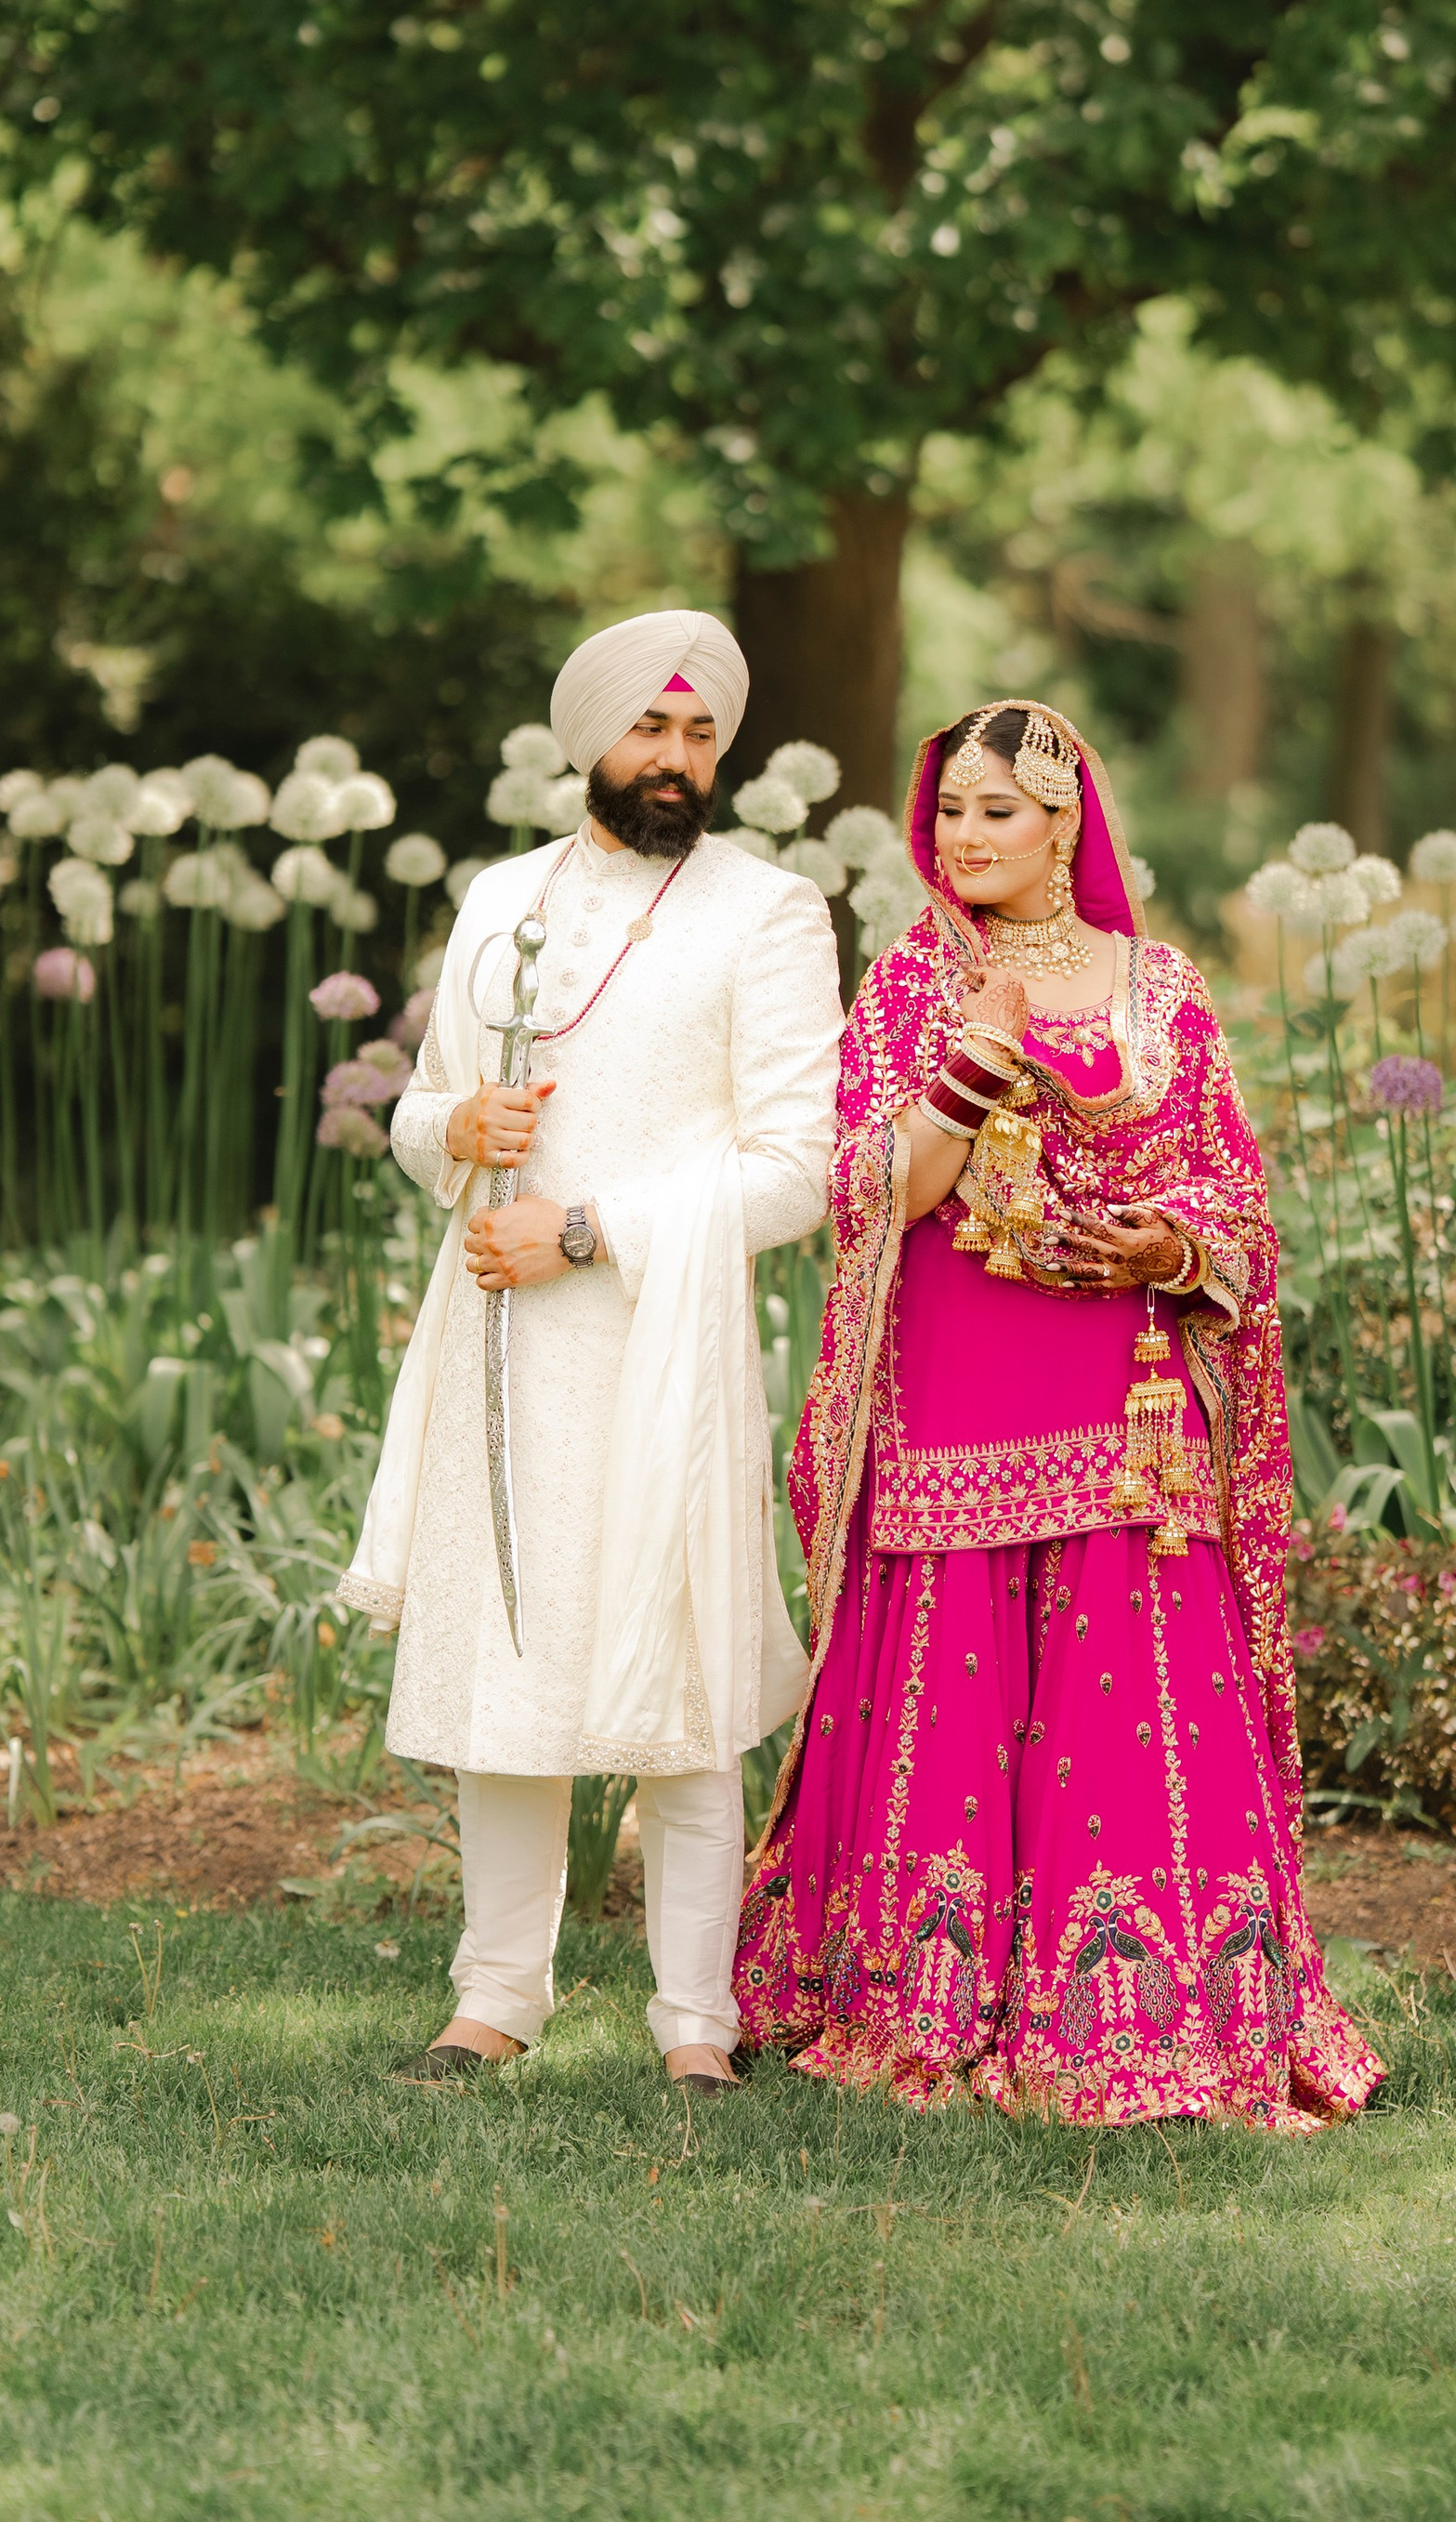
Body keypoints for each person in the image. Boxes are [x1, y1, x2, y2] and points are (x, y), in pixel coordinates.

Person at [737, 700, 1380, 2127]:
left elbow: (1237, 1202)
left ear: (1064, 820)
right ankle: (927, 1989)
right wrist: (971, 1063)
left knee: (1133, 1690)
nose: (966, 839)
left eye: (997, 812)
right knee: (954, 1691)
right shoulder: (914, 982)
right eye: (950, 812)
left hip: (1126, 1404)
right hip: (958, 1404)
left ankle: (1155, 2003)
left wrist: (1168, 1246)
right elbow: (867, 1198)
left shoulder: (1160, 985)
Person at [338, 610, 843, 2090]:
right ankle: (495, 1996)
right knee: (509, 1663)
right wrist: (455, 1135)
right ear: (588, 742)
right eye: (649, 731)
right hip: (499, 1341)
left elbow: (799, 1167)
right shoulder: (503, 898)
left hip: (660, 1341)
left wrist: (584, 1228)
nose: (676, 760)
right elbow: (424, 1110)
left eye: (699, 735)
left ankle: (698, 2020)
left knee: (680, 1678)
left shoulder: (768, 911)